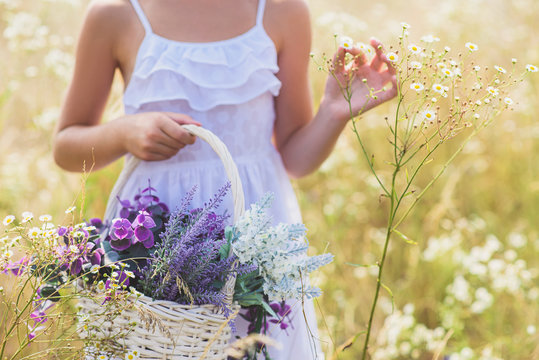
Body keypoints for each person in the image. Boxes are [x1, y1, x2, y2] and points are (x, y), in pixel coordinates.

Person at [53, 0, 397, 358]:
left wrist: (333, 112)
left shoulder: (282, 11)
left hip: (256, 238)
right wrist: (124, 133)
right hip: (158, 242)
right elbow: (66, 146)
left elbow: (294, 158)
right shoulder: (116, 14)